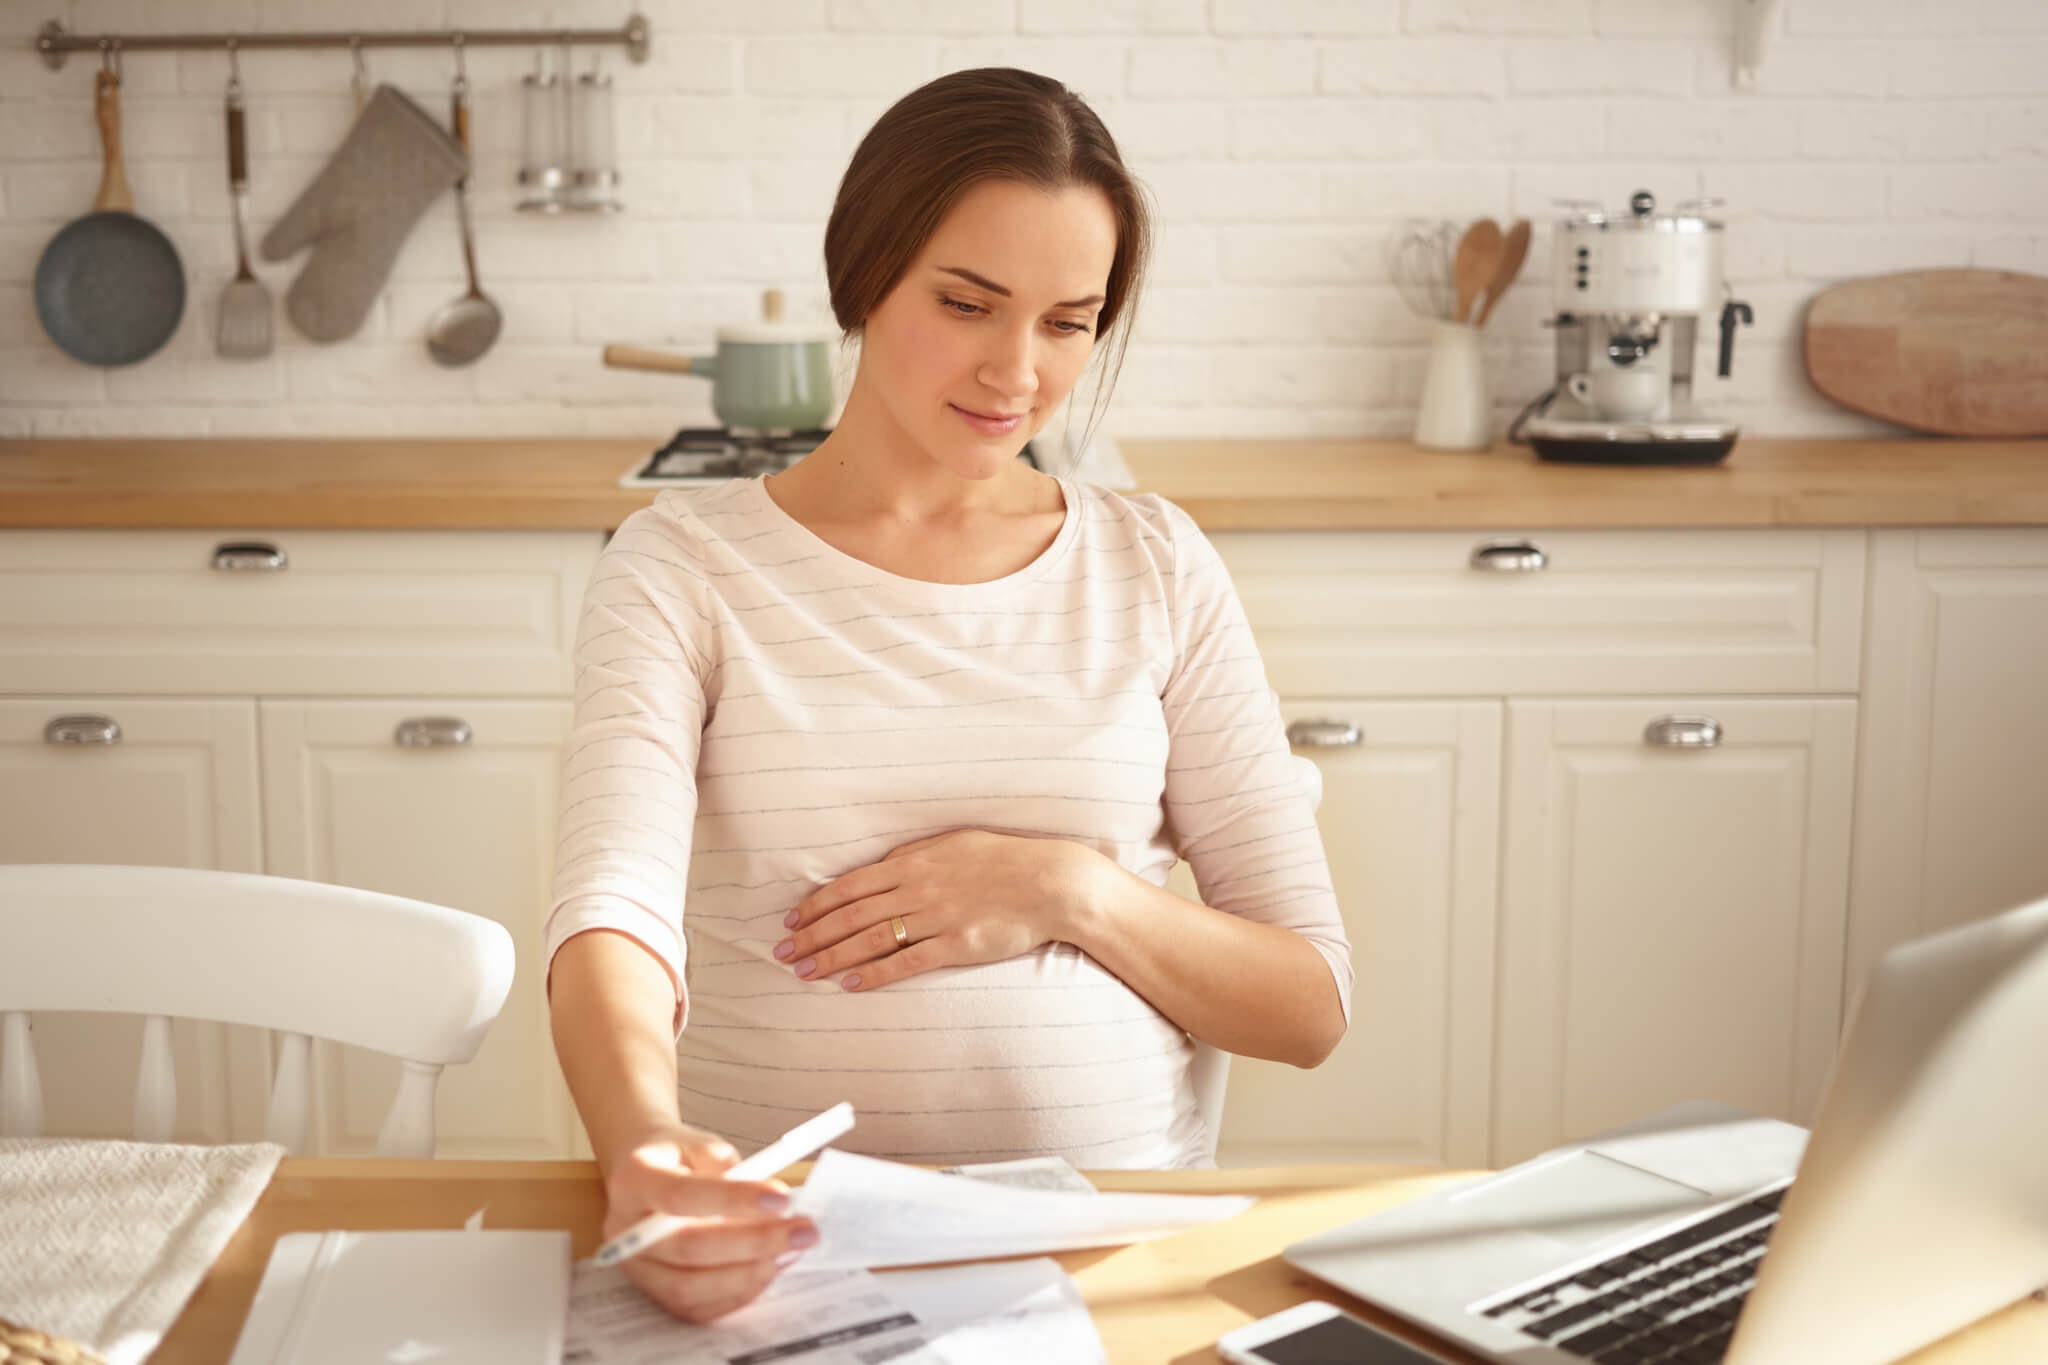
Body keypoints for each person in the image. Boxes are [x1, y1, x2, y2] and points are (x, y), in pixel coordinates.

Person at [543, 66, 1353, 1325]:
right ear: (863, 273)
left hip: (1108, 1258)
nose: (1015, 371)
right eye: (967, 303)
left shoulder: (1154, 562)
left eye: (1067, 321)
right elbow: (614, 919)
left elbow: (1305, 1006)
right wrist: (641, 1148)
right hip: (779, 1251)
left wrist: (1062, 889)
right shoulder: (683, 566)